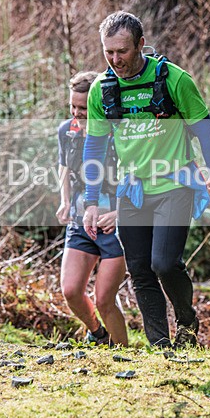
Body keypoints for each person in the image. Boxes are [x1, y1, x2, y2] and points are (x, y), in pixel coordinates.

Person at [81, 11, 210, 348]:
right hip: (133, 190)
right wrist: (91, 202)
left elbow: (207, 137)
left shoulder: (175, 80)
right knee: (140, 271)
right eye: (109, 53)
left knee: (164, 263)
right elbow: (94, 147)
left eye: (122, 51)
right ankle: (160, 346)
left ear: (141, 45)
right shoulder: (101, 90)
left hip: (175, 185)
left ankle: (187, 323)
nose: (116, 60)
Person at [56, 71, 128, 347]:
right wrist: (64, 200)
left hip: (115, 225)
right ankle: (98, 334)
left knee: (104, 299)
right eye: (72, 106)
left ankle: (126, 356)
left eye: (83, 108)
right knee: (71, 290)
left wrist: (120, 213)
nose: (77, 112)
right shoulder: (67, 131)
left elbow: (136, 175)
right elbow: (64, 168)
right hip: (81, 220)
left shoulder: (117, 133)